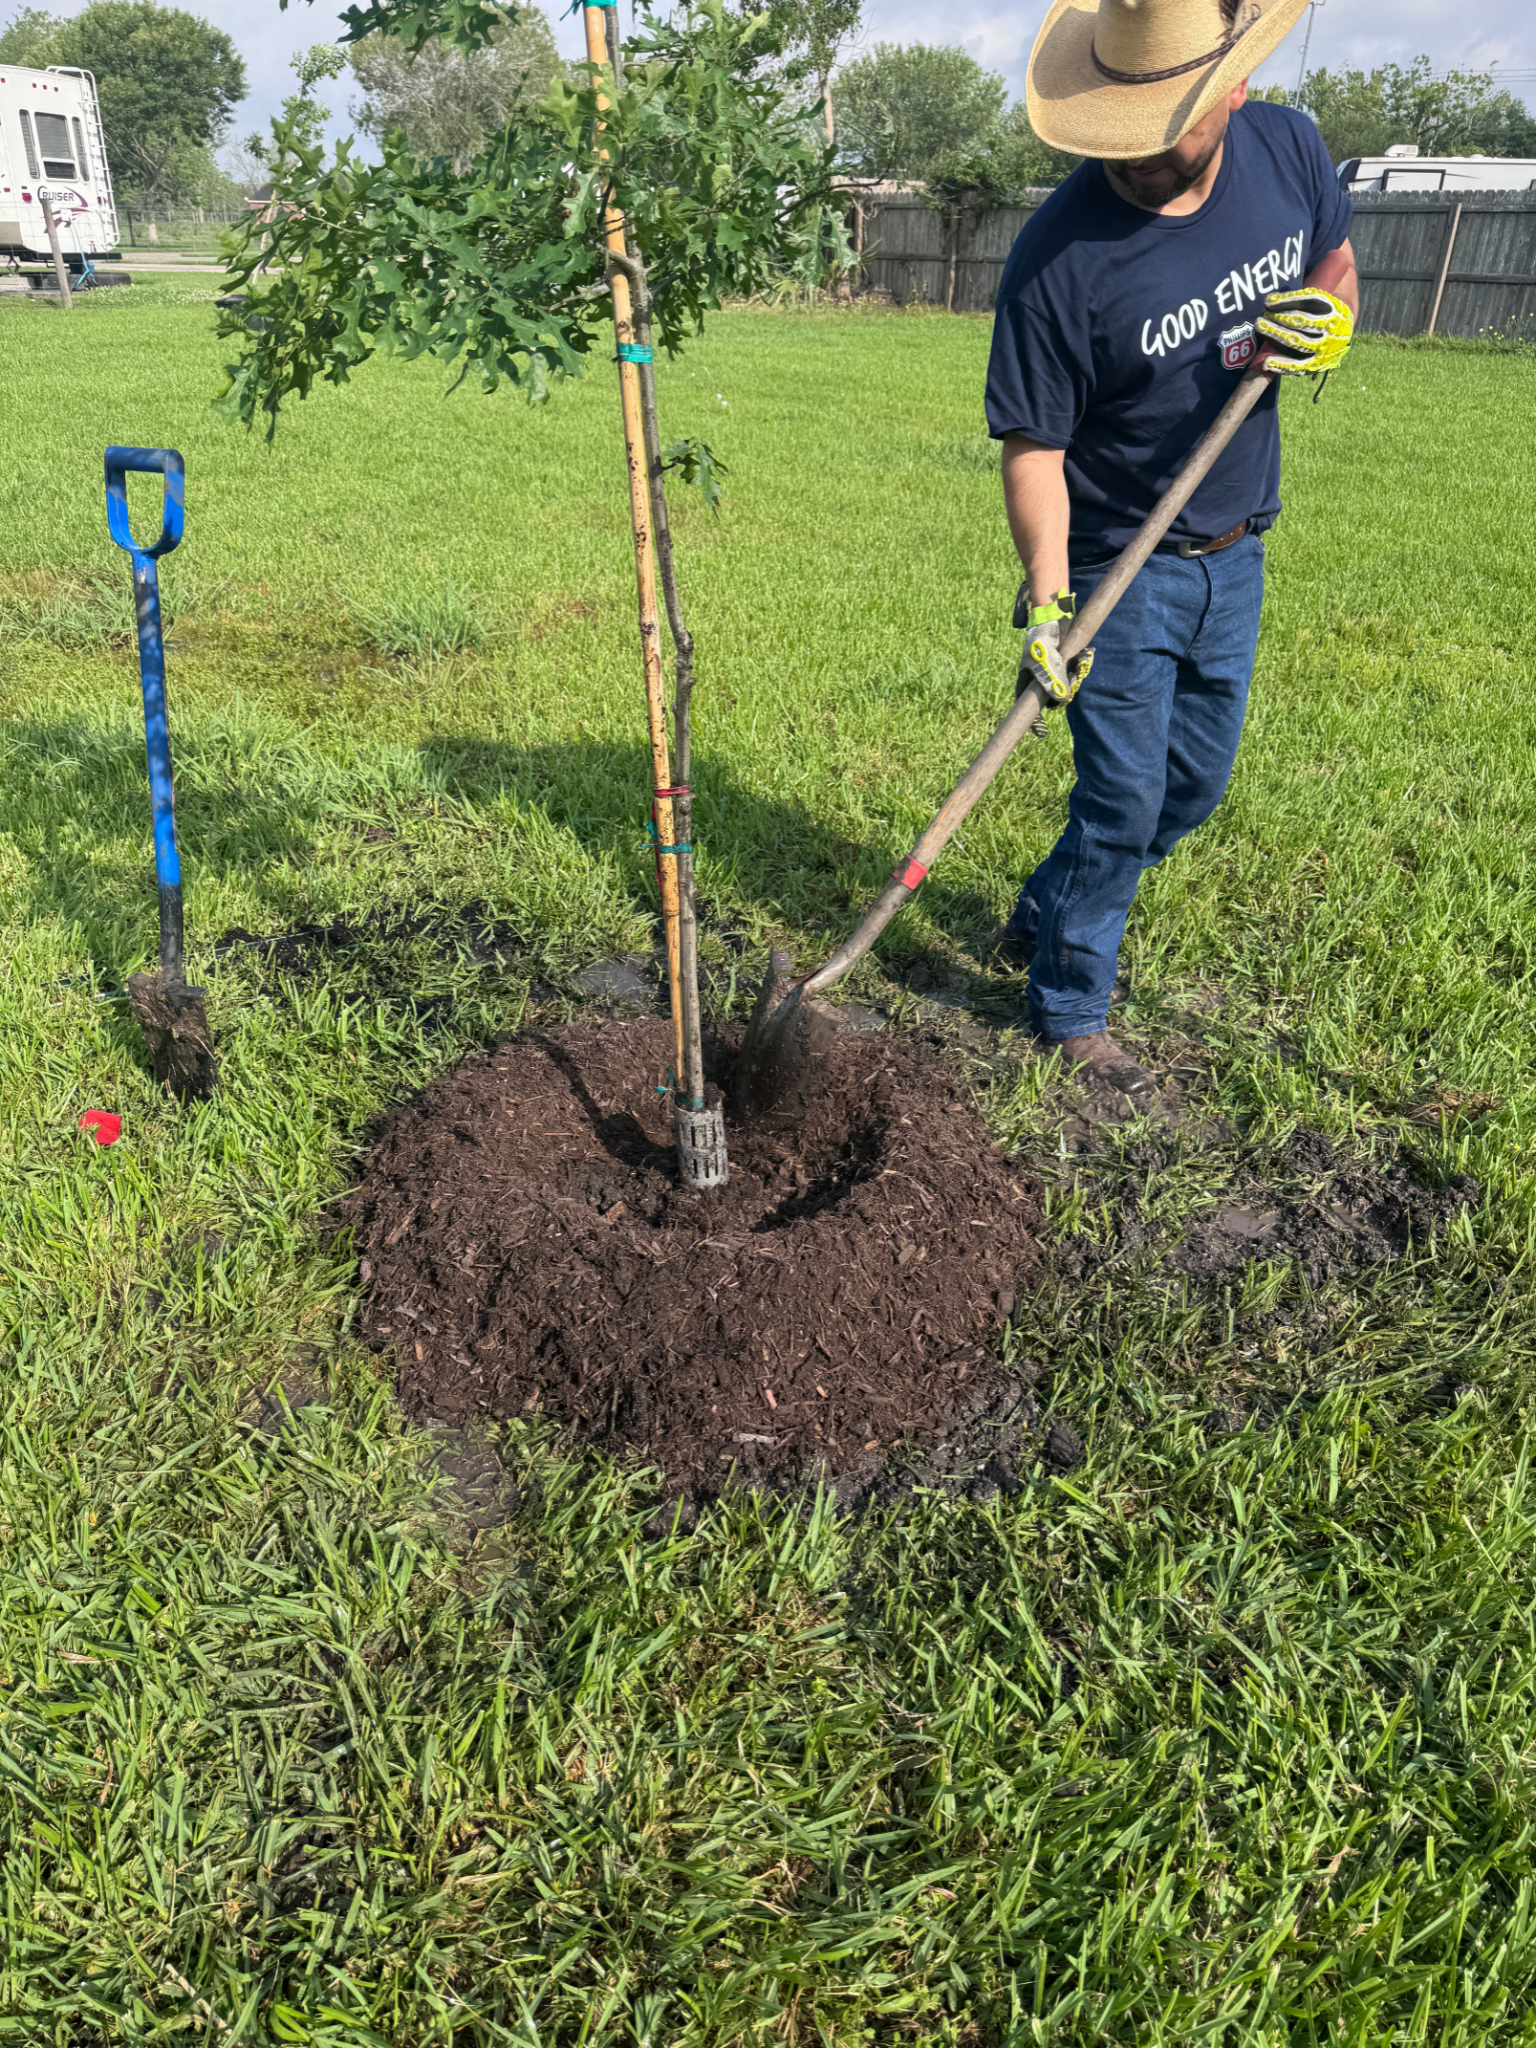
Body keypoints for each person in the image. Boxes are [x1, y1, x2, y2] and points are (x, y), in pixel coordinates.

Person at [984, 0, 1358, 1101]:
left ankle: (1044, 909)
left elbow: (1336, 259)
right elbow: (1033, 451)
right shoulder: (1057, 260)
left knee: (1192, 787)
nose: (1137, 156)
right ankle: (1070, 1005)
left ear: (1229, 92)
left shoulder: (1287, 149)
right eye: (1119, 129)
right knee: (1124, 799)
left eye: (1163, 126)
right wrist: (1050, 603)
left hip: (1237, 546)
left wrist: (1332, 315)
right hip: (1115, 566)